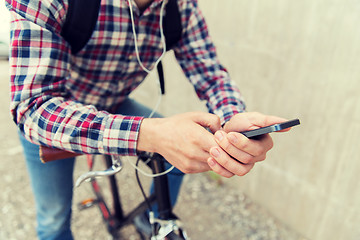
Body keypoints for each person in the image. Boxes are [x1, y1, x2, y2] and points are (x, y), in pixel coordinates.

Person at [6, 0, 289, 239]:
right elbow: (33, 108)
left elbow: (211, 75)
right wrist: (150, 134)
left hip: (114, 104)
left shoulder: (180, 8)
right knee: (54, 218)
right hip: (56, 114)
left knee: (180, 152)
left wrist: (234, 119)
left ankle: (151, 217)